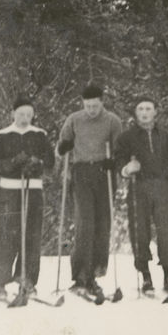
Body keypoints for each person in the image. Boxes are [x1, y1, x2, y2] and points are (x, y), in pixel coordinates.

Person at [56, 85, 123, 296]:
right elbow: (60, 147)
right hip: (82, 171)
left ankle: (95, 271)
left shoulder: (113, 120)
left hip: (104, 173)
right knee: (85, 223)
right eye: (88, 105)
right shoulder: (74, 119)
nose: (91, 109)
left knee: (102, 224)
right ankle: (81, 275)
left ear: (102, 102)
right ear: (82, 103)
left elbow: (120, 149)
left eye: (95, 105)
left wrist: (114, 162)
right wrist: (63, 147)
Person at [0, 97, 54, 299]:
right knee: (6, 235)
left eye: (28, 114)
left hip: (33, 191)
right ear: (13, 114)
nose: (24, 118)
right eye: (20, 114)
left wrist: (37, 164)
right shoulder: (3, 135)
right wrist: (13, 162)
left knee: (31, 236)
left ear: (33, 115)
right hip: (9, 192)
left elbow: (50, 161)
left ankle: (27, 281)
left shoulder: (40, 135)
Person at [115, 97, 168, 294]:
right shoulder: (126, 137)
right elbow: (118, 160)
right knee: (140, 231)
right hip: (139, 186)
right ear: (136, 113)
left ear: (155, 112)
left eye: (148, 108)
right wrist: (127, 168)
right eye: (141, 109)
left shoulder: (165, 136)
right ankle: (145, 276)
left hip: (162, 185)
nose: (145, 112)